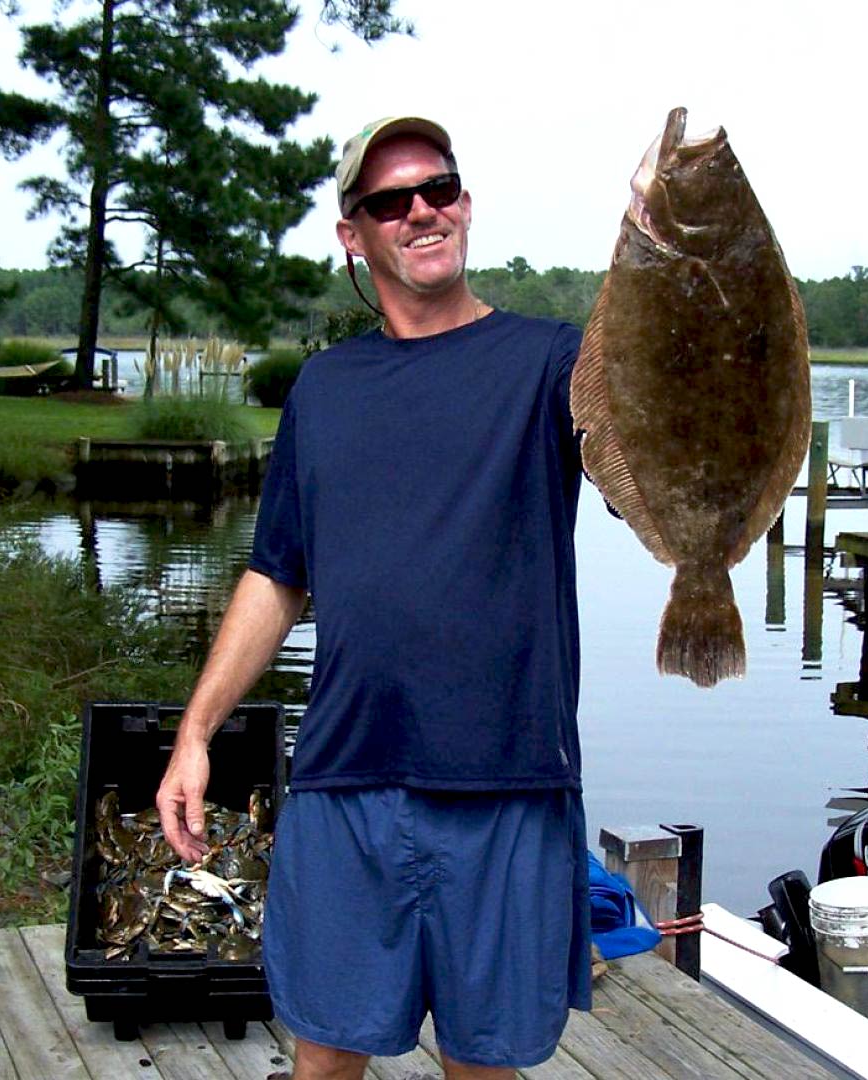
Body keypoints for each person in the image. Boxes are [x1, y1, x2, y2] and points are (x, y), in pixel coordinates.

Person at [155, 116, 591, 1080]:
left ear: (466, 205)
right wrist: (197, 734)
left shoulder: (554, 364)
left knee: (485, 1066)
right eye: (391, 202)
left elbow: (653, 429)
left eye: (439, 189)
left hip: (506, 777)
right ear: (353, 234)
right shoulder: (326, 386)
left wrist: (670, 245)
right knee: (324, 1060)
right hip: (347, 775)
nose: (422, 211)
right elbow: (277, 574)